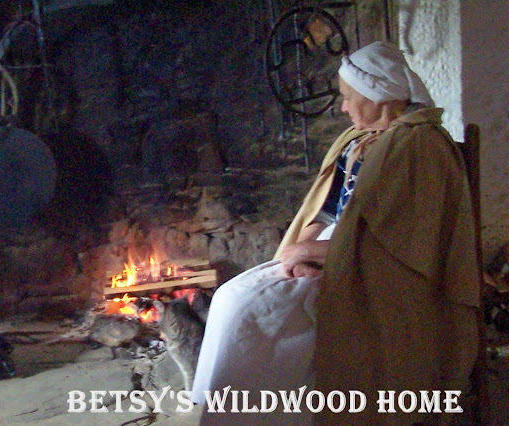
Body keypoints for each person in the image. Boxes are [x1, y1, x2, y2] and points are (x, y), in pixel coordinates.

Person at [191, 41, 480, 425]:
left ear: (377, 96)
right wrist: (300, 250)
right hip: (336, 253)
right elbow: (325, 209)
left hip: (380, 275)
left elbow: (402, 245)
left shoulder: (419, 147)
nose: (342, 108)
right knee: (229, 297)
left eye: (347, 97)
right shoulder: (356, 140)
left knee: (254, 316)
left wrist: (315, 257)